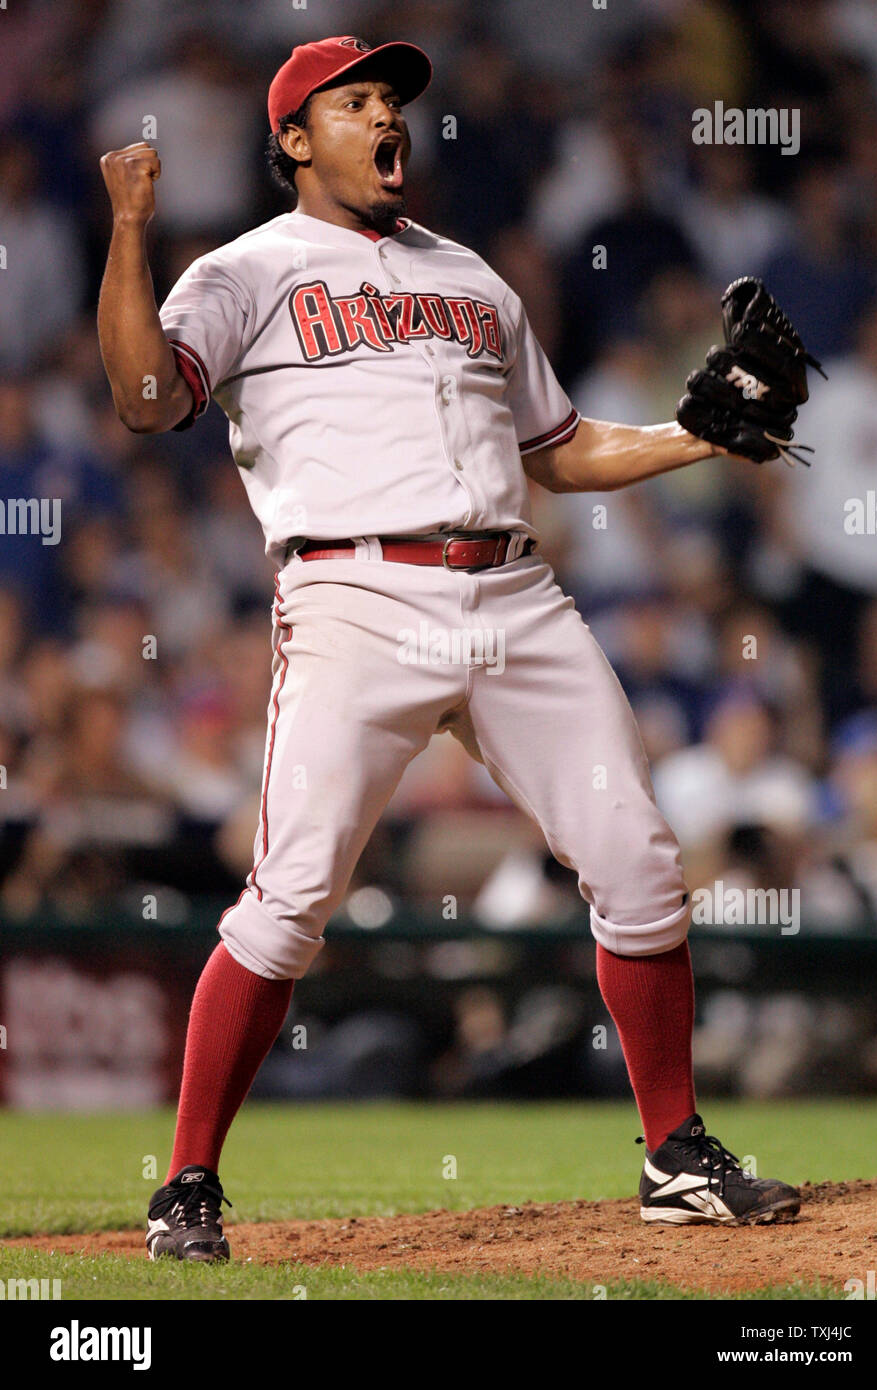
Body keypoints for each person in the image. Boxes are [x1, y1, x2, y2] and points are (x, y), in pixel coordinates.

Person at [96, 35, 801, 1262]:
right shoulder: (245, 269)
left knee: (636, 859)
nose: (385, 118)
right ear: (294, 139)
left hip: (513, 592)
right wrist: (126, 231)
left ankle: (674, 1150)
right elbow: (147, 398)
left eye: (390, 101)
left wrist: (694, 441)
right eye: (355, 101)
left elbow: (561, 447)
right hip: (352, 597)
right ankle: (188, 1182)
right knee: (289, 903)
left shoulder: (469, 275)